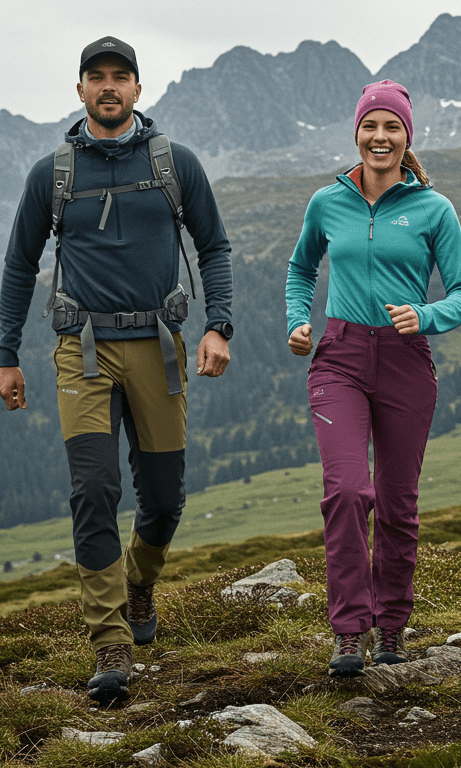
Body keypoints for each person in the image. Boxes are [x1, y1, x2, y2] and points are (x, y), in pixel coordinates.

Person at [0, 37, 234, 705]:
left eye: (120, 77)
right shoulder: (53, 174)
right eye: (95, 78)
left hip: (159, 346)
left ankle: (138, 584)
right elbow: (19, 266)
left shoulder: (175, 165)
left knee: (163, 500)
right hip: (83, 350)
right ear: (80, 91)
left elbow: (213, 245)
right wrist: (5, 353)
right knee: (94, 489)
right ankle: (109, 639)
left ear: (137, 89)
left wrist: (219, 325)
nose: (108, 87)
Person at [286, 80, 461, 678]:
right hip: (339, 357)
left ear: (407, 137)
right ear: (357, 133)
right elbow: (300, 269)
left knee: (397, 503)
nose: (380, 137)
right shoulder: (328, 203)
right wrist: (299, 319)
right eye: (371, 126)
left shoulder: (433, 210)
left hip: (405, 360)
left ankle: (391, 625)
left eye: (392, 127)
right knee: (347, 491)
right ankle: (349, 630)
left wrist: (425, 315)